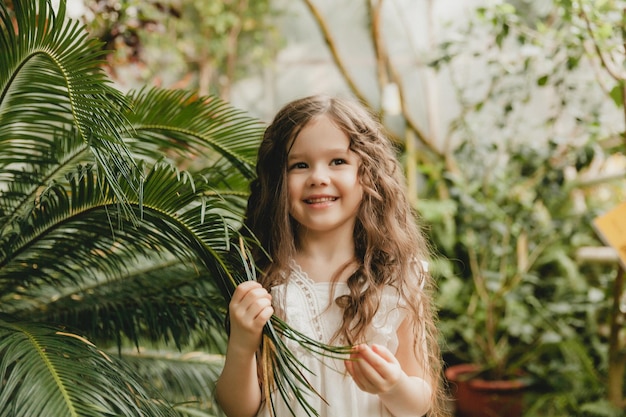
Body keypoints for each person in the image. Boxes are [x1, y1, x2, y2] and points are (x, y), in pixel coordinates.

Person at [215, 95, 447, 417]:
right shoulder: (261, 275)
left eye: (338, 161)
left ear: (368, 175)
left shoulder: (394, 278)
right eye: (300, 165)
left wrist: (393, 386)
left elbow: (420, 399)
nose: (318, 177)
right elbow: (238, 409)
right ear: (278, 181)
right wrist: (242, 343)